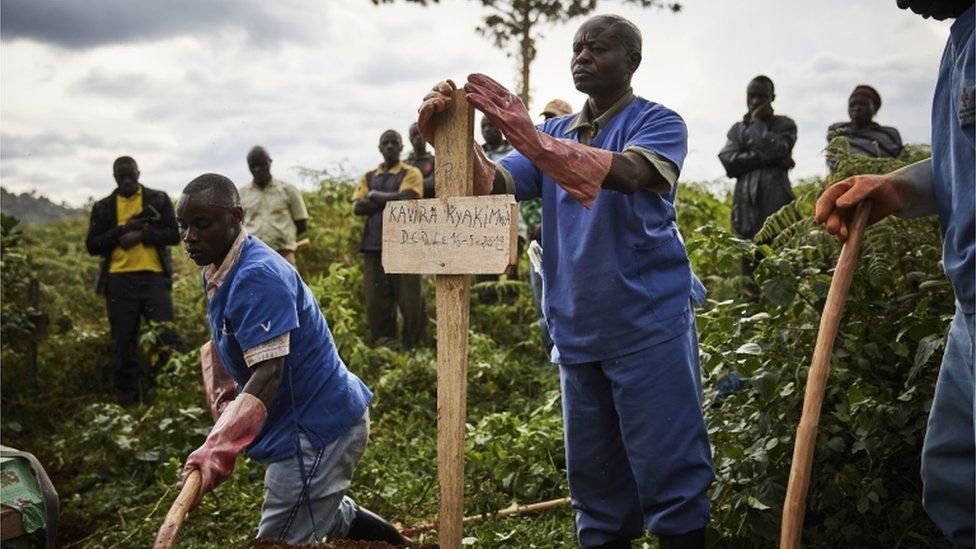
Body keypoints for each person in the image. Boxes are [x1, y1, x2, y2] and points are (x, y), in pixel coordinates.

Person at [418, 14, 713, 548]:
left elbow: (625, 175)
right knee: (596, 494)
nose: (581, 57)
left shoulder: (659, 124)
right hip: (577, 334)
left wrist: (529, 136)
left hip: (646, 328)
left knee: (673, 482)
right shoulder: (554, 133)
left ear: (632, 62)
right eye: (577, 48)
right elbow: (495, 185)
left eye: (597, 49)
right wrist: (453, 137)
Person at [815, 1, 973, 545]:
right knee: (954, 481)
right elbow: (962, 161)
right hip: (969, 307)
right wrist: (899, 187)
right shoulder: (961, 41)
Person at [175, 173, 404, 545]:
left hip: (317, 428)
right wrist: (225, 411)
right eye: (183, 226)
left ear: (236, 216)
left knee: (277, 541)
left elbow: (269, 372)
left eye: (202, 225)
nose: (190, 236)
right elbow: (224, 338)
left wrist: (217, 451)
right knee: (326, 515)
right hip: (302, 419)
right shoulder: (218, 267)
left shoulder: (257, 276)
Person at [85, 156, 183, 406]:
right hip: (118, 281)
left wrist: (142, 234)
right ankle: (127, 403)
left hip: (153, 279)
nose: (127, 180)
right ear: (114, 176)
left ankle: (171, 394)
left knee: (166, 337)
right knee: (123, 342)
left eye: (131, 175)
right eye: (121, 176)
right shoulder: (104, 207)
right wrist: (120, 233)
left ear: (138, 173)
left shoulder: (158, 199)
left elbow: (174, 235)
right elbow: (93, 245)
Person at [352, 130, 425, 349]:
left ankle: (414, 348)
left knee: (411, 300)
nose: (391, 146)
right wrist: (389, 200)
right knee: (376, 301)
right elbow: (358, 207)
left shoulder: (411, 172)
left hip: (405, 246)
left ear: (402, 147)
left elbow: (408, 198)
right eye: (386, 143)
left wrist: (374, 196)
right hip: (374, 246)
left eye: (395, 143)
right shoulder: (368, 176)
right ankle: (385, 348)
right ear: (379, 148)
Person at [718, 75, 797, 241]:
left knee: (780, 258)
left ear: (772, 98)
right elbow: (729, 161)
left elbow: (779, 150)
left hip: (776, 204)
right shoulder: (737, 129)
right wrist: (772, 158)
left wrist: (756, 124)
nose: (755, 101)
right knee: (748, 258)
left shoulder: (785, 124)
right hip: (744, 210)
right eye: (751, 95)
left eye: (761, 96)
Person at [528, 98, 574, 357]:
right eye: (546, 118)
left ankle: (566, 352)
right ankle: (551, 356)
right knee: (541, 303)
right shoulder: (534, 158)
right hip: (536, 246)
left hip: (563, 244)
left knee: (564, 301)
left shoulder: (573, 158)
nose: (548, 124)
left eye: (554, 118)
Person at [239, 146, 309, 266]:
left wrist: (283, 240)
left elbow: (301, 224)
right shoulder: (241, 194)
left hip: (283, 256)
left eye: (262, 165)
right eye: (253, 166)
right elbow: (239, 226)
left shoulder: (288, 190)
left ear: (270, 162)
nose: (258, 169)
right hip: (252, 257)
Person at [825, 85, 904, 171]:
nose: (856, 108)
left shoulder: (889, 134)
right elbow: (833, 160)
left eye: (863, 104)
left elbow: (896, 163)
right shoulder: (837, 131)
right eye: (852, 105)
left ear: (874, 109)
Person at [405, 122, 436, 198]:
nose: (418, 137)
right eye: (414, 135)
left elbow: (433, 183)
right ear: (410, 139)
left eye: (420, 133)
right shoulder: (405, 163)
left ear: (425, 135)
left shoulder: (434, 161)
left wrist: (409, 185)